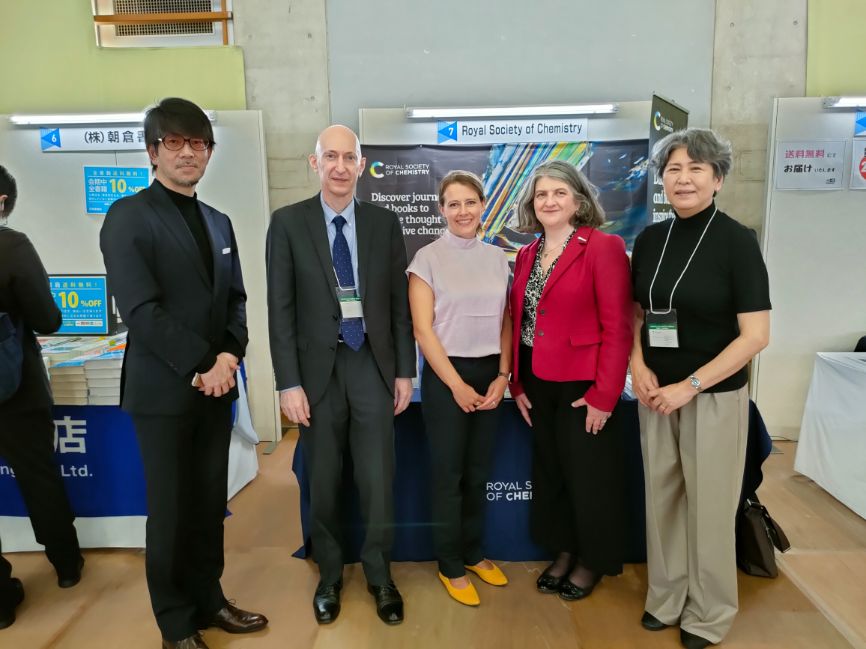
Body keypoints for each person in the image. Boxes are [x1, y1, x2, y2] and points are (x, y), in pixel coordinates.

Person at [100, 98, 267, 649]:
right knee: (170, 510)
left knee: (206, 505)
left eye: (199, 143)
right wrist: (202, 365)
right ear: (153, 151)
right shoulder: (129, 215)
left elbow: (237, 302)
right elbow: (141, 310)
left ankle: (209, 598)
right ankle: (175, 621)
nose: (189, 153)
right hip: (164, 391)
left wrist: (229, 357)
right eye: (176, 142)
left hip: (215, 388)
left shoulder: (217, 221)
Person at [266, 125, 415, 625]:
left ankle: (379, 574)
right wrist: (287, 383)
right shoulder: (287, 224)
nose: (339, 166)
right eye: (330, 156)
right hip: (316, 374)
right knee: (324, 479)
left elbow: (398, 305)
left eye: (349, 157)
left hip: (372, 366)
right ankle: (329, 573)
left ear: (362, 164)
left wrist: (404, 371)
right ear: (315, 163)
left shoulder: (383, 223)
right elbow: (279, 310)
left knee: (378, 478)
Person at [630, 128, 770, 649]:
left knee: (709, 505)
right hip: (654, 393)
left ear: (718, 178)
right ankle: (666, 597)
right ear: (662, 179)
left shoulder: (738, 242)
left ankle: (709, 612)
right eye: (673, 169)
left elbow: (756, 335)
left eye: (695, 169)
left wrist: (690, 385)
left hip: (712, 395)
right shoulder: (649, 239)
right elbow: (636, 315)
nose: (682, 178)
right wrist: (636, 365)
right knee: (662, 497)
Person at [509, 160, 632, 601]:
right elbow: (519, 320)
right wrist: (516, 384)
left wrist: (605, 395)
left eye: (559, 192)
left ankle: (592, 560)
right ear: (532, 203)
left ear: (578, 199)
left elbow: (618, 327)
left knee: (589, 477)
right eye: (541, 194)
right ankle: (563, 550)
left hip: (584, 384)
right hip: (537, 379)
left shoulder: (603, 247)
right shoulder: (527, 253)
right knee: (552, 473)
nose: (549, 201)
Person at [407, 170, 511, 606]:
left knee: (478, 473)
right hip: (447, 375)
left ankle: (472, 551)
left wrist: (504, 375)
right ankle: (450, 563)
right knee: (449, 475)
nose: (463, 211)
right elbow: (422, 330)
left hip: (491, 373)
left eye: (471, 202)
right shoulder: (426, 259)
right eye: (454, 203)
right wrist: (456, 385)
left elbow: (507, 320)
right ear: (442, 210)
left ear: (482, 205)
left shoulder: (497, 257)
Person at [0, 165, 84, 630]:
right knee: (38, 475)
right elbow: (49, 318)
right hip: (15, 387)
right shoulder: (11, 247)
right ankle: (67, 567)